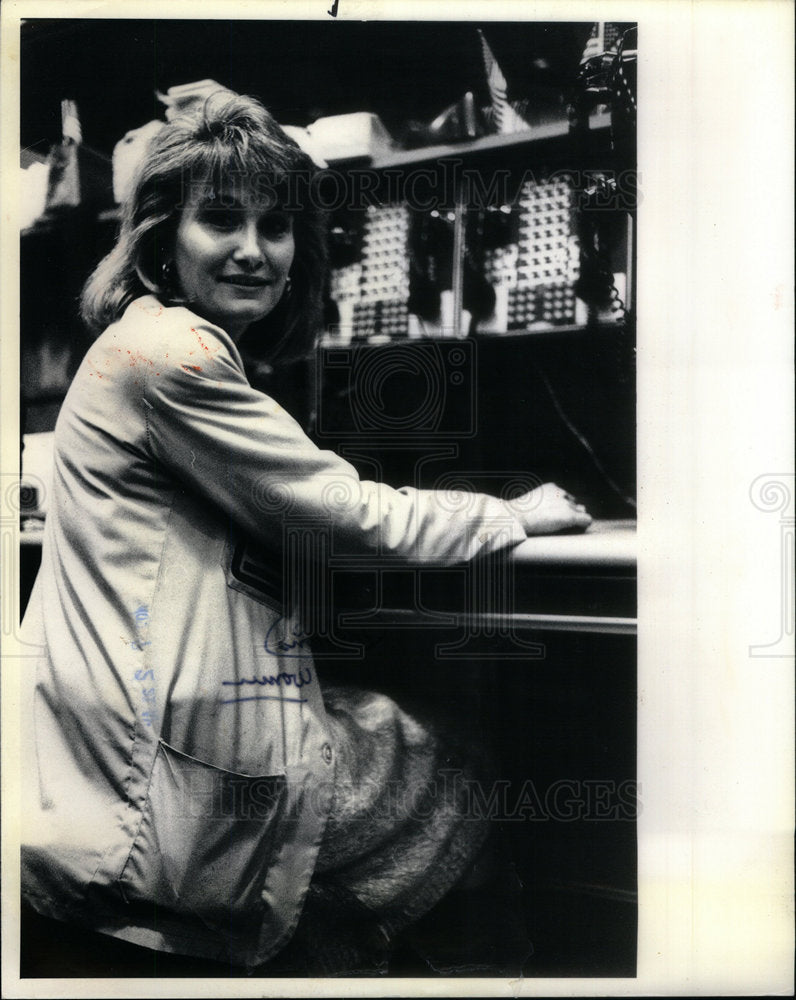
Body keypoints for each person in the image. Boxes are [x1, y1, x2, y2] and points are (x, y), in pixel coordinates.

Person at [20, 91, 591, 977]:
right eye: (220, 219)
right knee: (454, 770)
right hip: (148, 768)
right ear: (161, 238)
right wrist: (513, 512)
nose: (254, 249)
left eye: (276, 226)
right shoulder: (173, 354)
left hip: (110, 737)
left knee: (393, 751)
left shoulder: (155, 345)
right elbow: (345, 512)